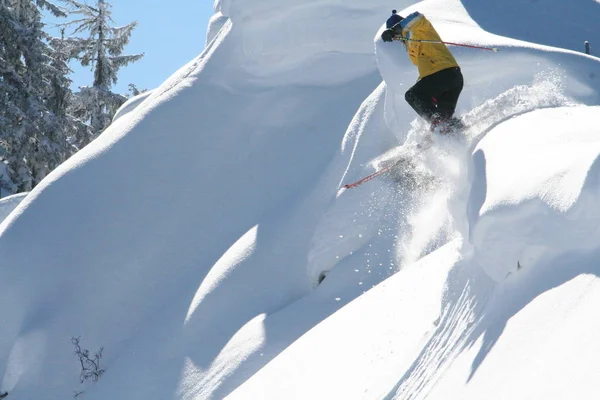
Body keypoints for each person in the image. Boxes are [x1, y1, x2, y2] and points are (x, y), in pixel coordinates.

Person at [381, 10, 464, 133]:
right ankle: (453, 128)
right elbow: (425, 72)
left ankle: (438, 123)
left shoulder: (419, 29)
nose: (396, 38)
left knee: (412, 96)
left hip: (445, 73)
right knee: (444, 118)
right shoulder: (410, 46)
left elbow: (418, 17)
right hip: (450, 81)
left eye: (394, 36)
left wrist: (395, 29)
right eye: (394, 38)